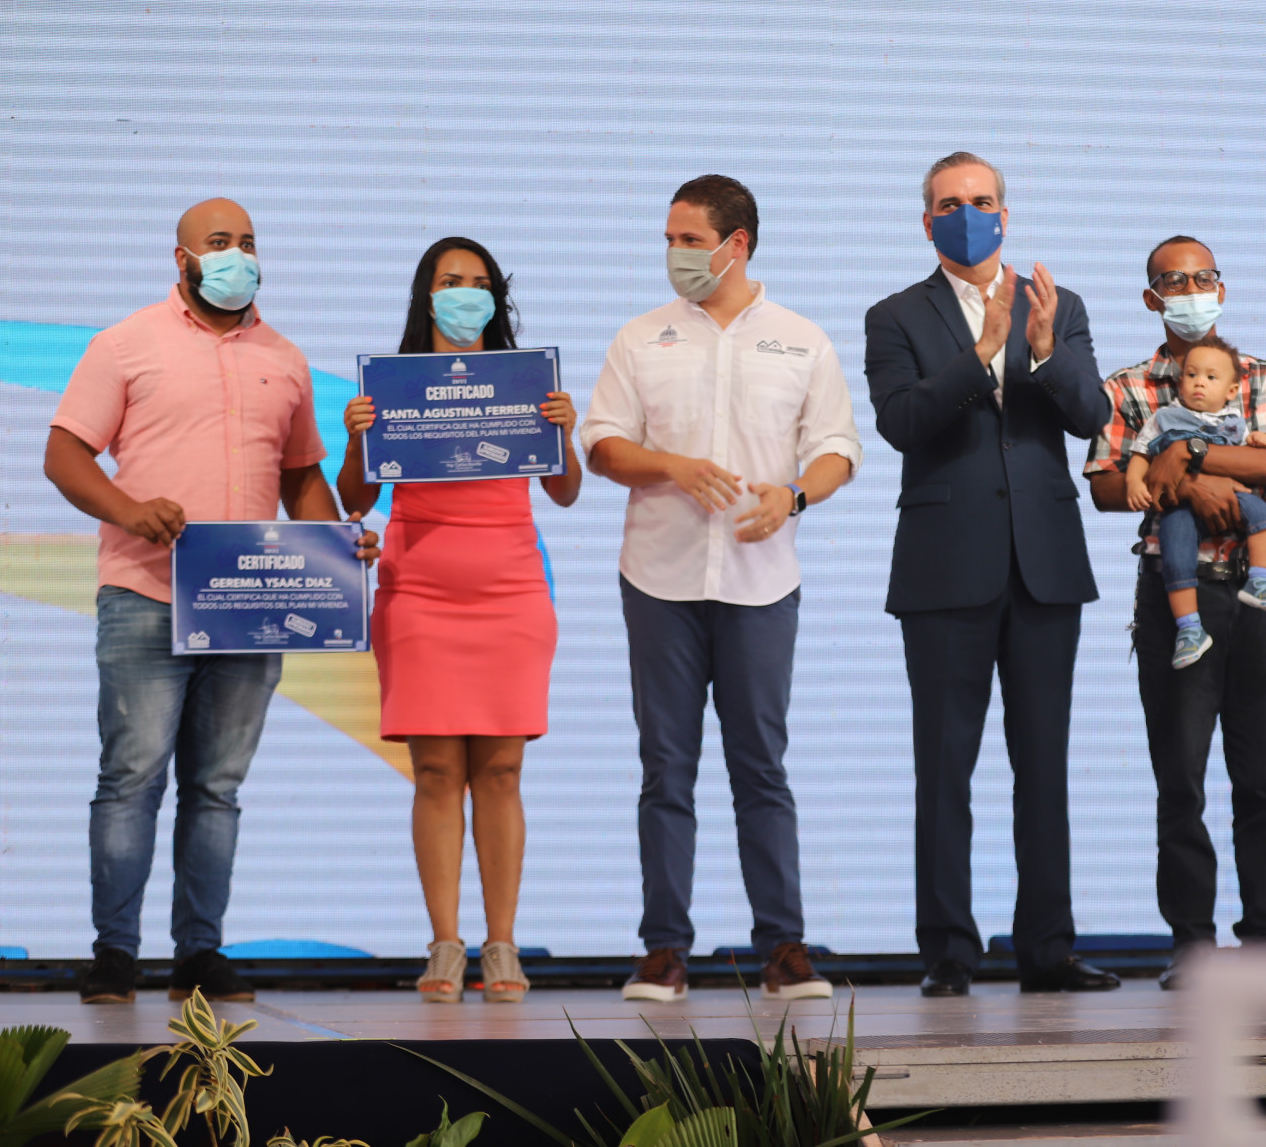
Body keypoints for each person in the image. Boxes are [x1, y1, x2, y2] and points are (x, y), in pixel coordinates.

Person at [44, 198, 380, 1005]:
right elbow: (64, 454)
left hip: (249, 605)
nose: (238, 256)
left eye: (248, 242)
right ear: (183, 259)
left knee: (217, 788)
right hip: (146, 593)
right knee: (131, 778)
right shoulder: (124, 344)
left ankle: (199, 952)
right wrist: (130, 510)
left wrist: (336, 549)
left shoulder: (285, 358)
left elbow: (301, 475)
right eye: (220, 242)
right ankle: (114, 955)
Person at [580, 175, 860, 1002]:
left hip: (761, 582)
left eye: (690, 240)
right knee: (665, 769)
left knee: (760, 767)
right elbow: (601, 445)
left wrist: (794, 496)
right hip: (658, 579)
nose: (675, 254)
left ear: (737, 244)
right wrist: (671, 464)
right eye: (669, 240)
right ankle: (664, 950)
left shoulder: (802, 340)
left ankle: (783, 948)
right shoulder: (641, 338)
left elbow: (838, 449)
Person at [865, 151, 1117, 997]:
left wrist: (1043, 350)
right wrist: (980, 355)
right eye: (949, 203)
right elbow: (902, 422)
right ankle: (948, 950)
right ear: (925, 221)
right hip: (944, 565)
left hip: (1045, 562)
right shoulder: (895, 315)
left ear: (1005, 214)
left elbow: (1092, 414)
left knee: (1044, 765)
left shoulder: (1059, 304)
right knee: (945, 767)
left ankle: (1047, 949)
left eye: (980, 201)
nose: (966, 214)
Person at [336, 237, 580, 1003]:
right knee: (437, 772)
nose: (465, 294)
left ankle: (501, 944)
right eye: (451, 281)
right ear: (427, 295)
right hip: (418, 595)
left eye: (478, 283)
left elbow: (565, 492)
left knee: (501, 771)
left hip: (511, 593)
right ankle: (445, 943)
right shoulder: (393, 387)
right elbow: (354, 499)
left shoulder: (524, 384)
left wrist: (564, 430)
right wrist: (357, 436)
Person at [1083, 235, 1266, 991]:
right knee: (1181, 780)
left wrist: (1189, 459)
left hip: (1253, 592)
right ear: (1152, 299)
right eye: (1174, 282)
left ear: (1222, 289)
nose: (1191, 290)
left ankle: (1264, 940)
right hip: (1175, 593)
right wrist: (1184, 482)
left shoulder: (1263, 375)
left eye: (1204, 277)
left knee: (1261, 779)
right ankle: (1194, 945)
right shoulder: (1126, 386)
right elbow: (1106, 487)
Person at [1124, 335, 1266, 670]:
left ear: (1231, 391)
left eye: (1211, 378)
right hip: (1179, 506)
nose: (1200, 383)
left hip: (1234, 498)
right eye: (1192, 375)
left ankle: (1260, 580)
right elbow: (1141, 454)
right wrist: (1133, 482)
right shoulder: (1165, 418)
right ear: (1179, 382)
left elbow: (1259, 455)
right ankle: (1189, 629)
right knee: (1175, 550)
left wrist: (1257, 440)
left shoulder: (1233, 419)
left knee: (1262, 515)